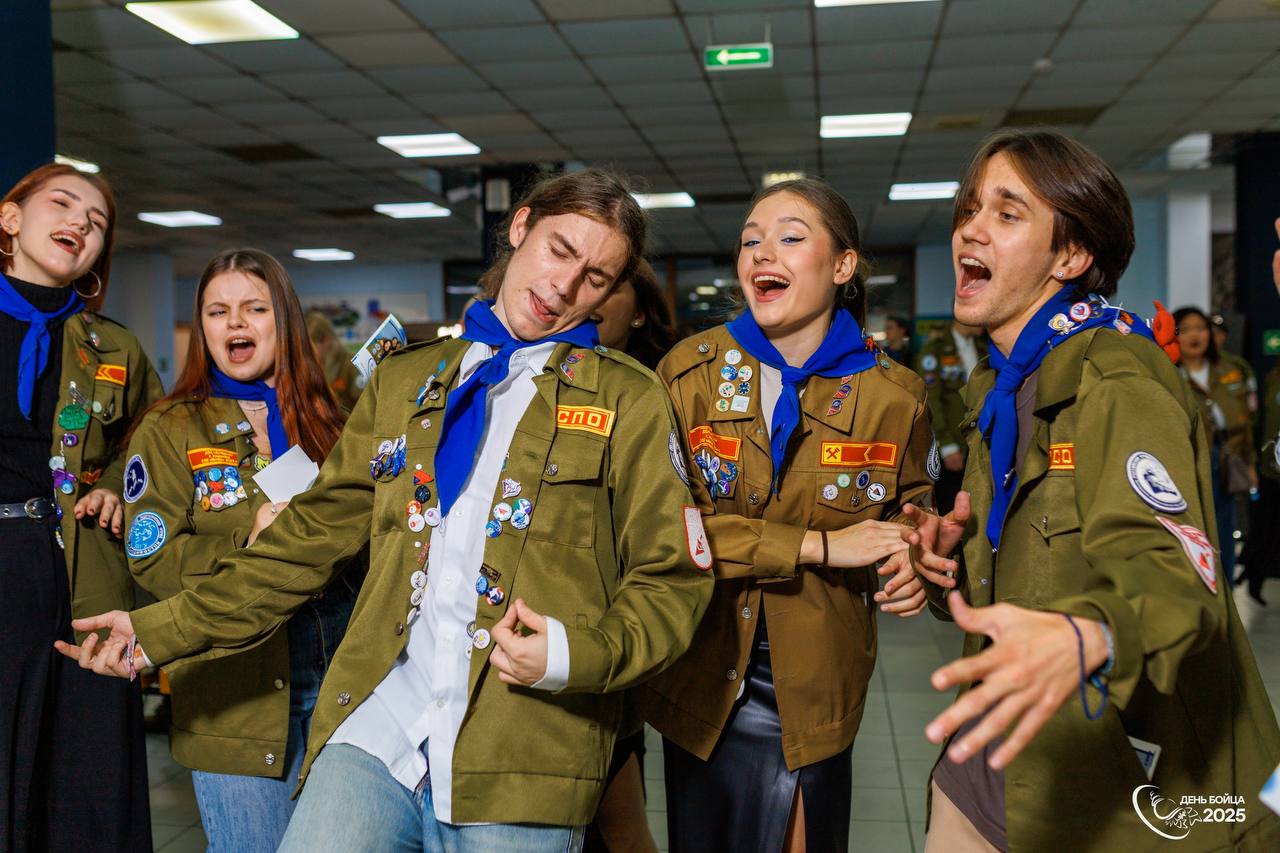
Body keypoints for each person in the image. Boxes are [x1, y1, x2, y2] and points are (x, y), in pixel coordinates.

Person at [58, 168, 714, 852]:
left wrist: (573, 652)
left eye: (596, 276)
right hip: (380, 720)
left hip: (520, 743)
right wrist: (156, 632)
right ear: (521, 227)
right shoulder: (407, 380)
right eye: (559, 250)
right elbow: (302, 542)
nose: (565, 286)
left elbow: (673, 579)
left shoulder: (628, 400)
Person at [903, 129, 1280, 851]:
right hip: (985, 766)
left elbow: (1178, 580)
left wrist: (1092, 633)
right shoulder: (999, 386)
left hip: (1110, 791)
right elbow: (1024, 571)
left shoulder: (1116, 380)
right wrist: (947, 563)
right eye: (970, 208)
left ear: (1071, 256)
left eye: (1007, 213)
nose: (970, 228)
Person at [638, 178, 936, 853]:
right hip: (705, 674)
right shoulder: (688, 376)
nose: (762, 253)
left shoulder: (894, 396)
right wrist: (819, 546)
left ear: (843, 265)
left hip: (817, 683)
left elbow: (912, 511)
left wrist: (915, 553)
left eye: (790, 237)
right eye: (750, 241)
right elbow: (667, 532)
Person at [124, 249, 364, 850]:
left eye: (255, 308)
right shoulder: (170, 428)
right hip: (236, 693)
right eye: (217, 311)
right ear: (202, 327)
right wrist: (247, 541)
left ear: (285, 320)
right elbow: (152, 557)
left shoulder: (332, 423)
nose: (235, 322)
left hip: (341, 683)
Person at [0, 162, 161, 851]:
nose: (80, 223)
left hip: (81, 568)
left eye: (96, 222)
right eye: (63, 204)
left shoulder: (114, 346)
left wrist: (118, 482)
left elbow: (155, 443)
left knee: (82, 778)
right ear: (10, 219)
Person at [580, 257, 678, 853]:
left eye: (609, 286)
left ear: (639, 312)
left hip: (613, 638)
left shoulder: (656, 395)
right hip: (533, 627)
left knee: (619, 821)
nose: (590, 296)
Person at [1174, 306, 1256, 587]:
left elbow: (1246, 423)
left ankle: (1226, 593)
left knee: (1224, 530)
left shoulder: (1231, 370)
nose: (1194, 335)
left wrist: (1250, 463)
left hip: (1226, 463)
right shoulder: (1168, 374)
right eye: (1185, 329)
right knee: (1192, 533)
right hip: (1187, 466)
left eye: (1200, 328)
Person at [917, 320, 988, 514]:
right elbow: (931, 401)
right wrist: (947, 445)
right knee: (951, 505)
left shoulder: (982, 346)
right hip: (953, 441)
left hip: (981, 439)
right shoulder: (936, 348)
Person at [306, 309, 363, 410]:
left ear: (327, 339)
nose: (307, 351)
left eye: (311, 345)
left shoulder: (350, 364)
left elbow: (363, 406)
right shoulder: (310, 365)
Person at [1210, 314, 1258, 419]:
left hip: (1236, 425)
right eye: (1209, 333)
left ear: (1224, 336)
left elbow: (1252, 403)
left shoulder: (1239, 365)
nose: (1211, 337)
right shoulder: (1193, 367)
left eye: (1216, 333)